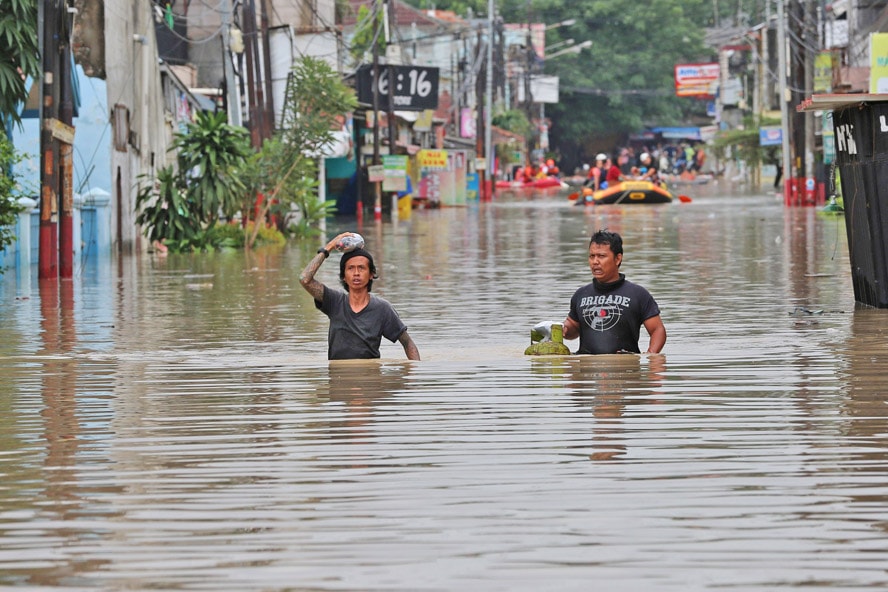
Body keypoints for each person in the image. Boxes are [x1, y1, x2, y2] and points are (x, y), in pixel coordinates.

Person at [300, 232, 420, 361]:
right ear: (343, 276)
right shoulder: (334, 302)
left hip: (370, 378)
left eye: (361, 268)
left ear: (371, 274)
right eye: (351, 268)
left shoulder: (382, 309)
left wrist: (414, 375)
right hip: (338, 378)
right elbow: (305, 279)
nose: (356, 273)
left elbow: (408, 344)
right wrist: (329, 247)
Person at [562, 230, 666, 355]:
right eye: (592, 256)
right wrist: (564, 329)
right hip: (586, 368)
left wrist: (651, 356)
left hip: (625, 368)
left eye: (601, 256)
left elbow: (657, 330)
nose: (595, 262)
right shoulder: (580, 294)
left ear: (617, 259)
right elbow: (573, 328)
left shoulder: (638, 294)